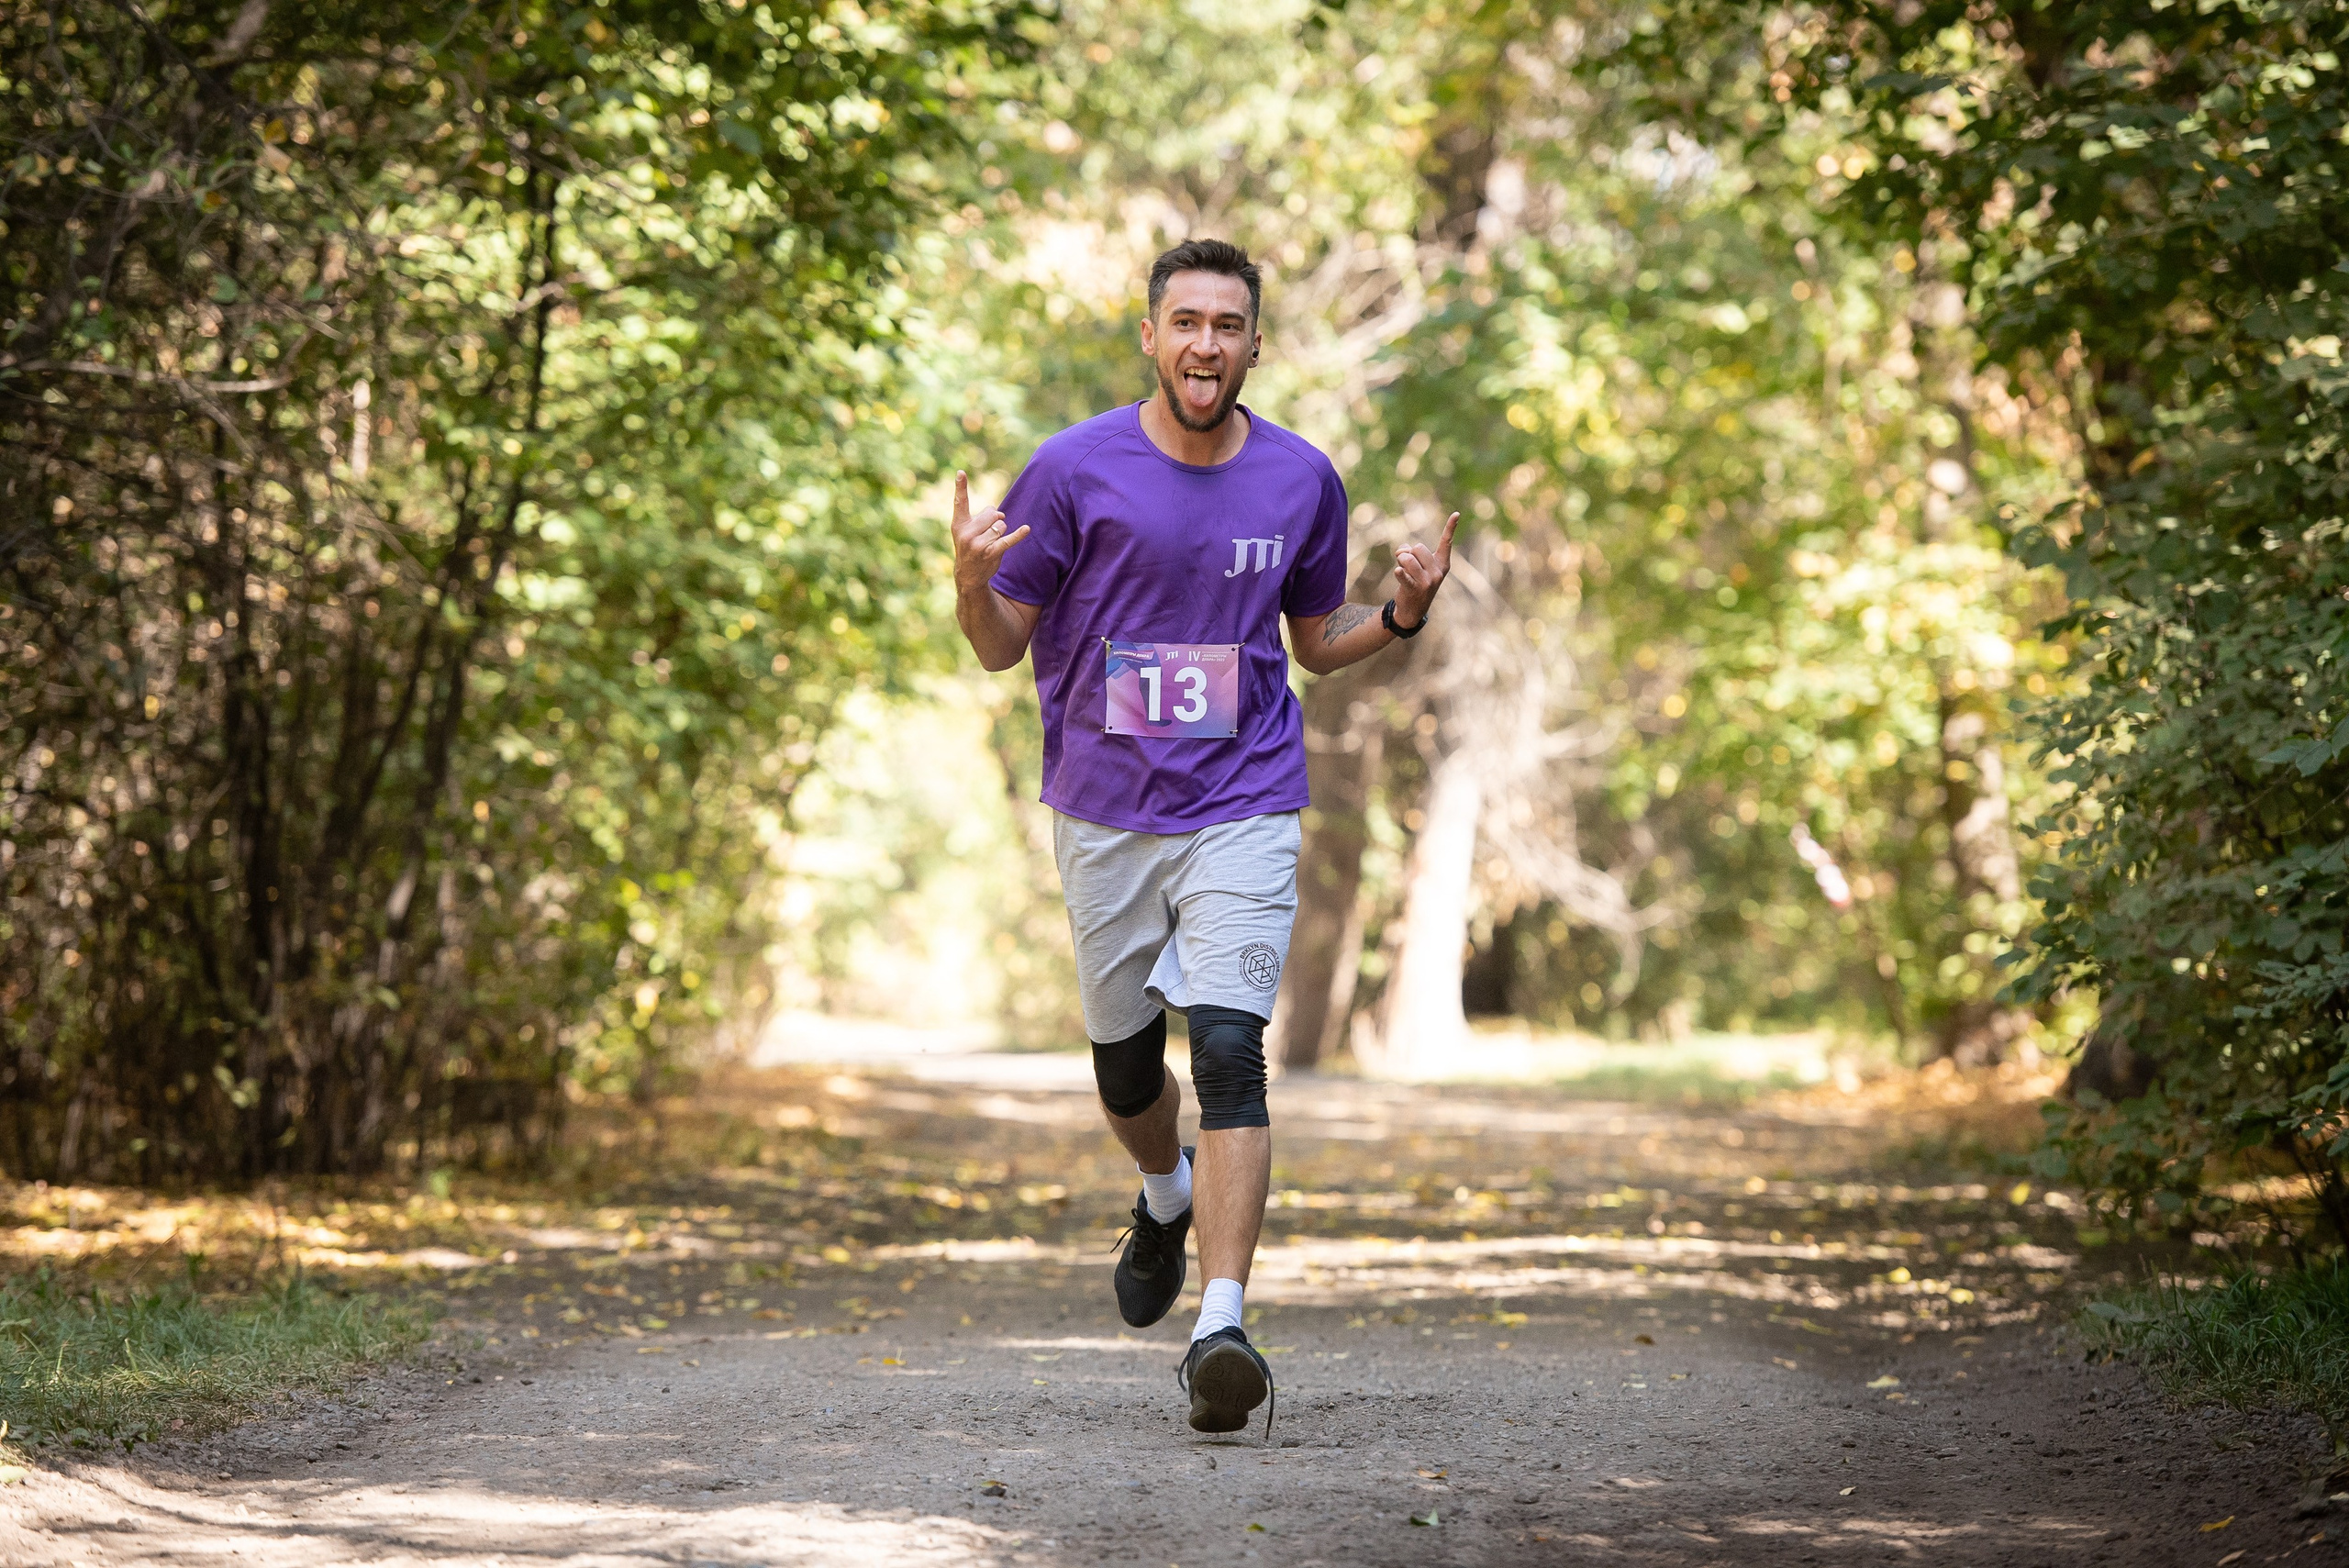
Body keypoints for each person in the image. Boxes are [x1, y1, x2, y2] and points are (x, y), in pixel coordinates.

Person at [950, 237, 1456, 1436]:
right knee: (1130, 1071)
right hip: (1105, 813)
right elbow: (997, 647)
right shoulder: (1072, 472)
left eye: (1228, 326)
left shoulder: (1301, 479)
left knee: (1229, 1046)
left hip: (1244, 799)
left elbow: (1313, 642)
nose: (1205, 345)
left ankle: (1220, 1323)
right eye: (1186, 321)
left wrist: (1399, 615)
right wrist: (969, 583)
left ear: (1254, 345)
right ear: (1150, 334)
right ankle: (1162, 1188)